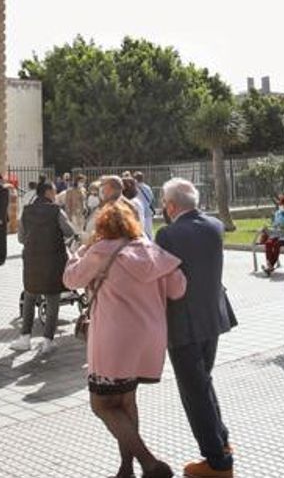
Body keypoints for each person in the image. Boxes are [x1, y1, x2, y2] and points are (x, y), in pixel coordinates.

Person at [64, 201, 185, 478]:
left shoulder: (99, 252)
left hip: (113, 340)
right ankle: (126, 468)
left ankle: (150, 463)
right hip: (148, 339)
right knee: (126, 402)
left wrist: (74, 255)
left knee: (102, 405)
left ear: (102, 226)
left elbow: (71, 280)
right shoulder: (151, 251)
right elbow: (178, 289)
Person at [154, 178, 236, 478]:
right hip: (212, 317)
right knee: (204, 383)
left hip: (183, 323)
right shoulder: (214, 226)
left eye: (164, 202)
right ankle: (222, 441)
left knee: (193, 391)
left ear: (172, 206)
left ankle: (217, 462)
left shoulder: (168, 234)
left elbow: (160, 276)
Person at [13, 181, 74, 352]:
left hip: (32, 259)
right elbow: (69, 231)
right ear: (47, 192)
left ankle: (25, 337)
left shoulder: (26, 211)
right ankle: (48, 340)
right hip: (54, 260)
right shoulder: (56, 211)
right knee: (53, 299)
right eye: (54, 191)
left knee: (30, 296)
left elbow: (20, 238)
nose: (55, 194)